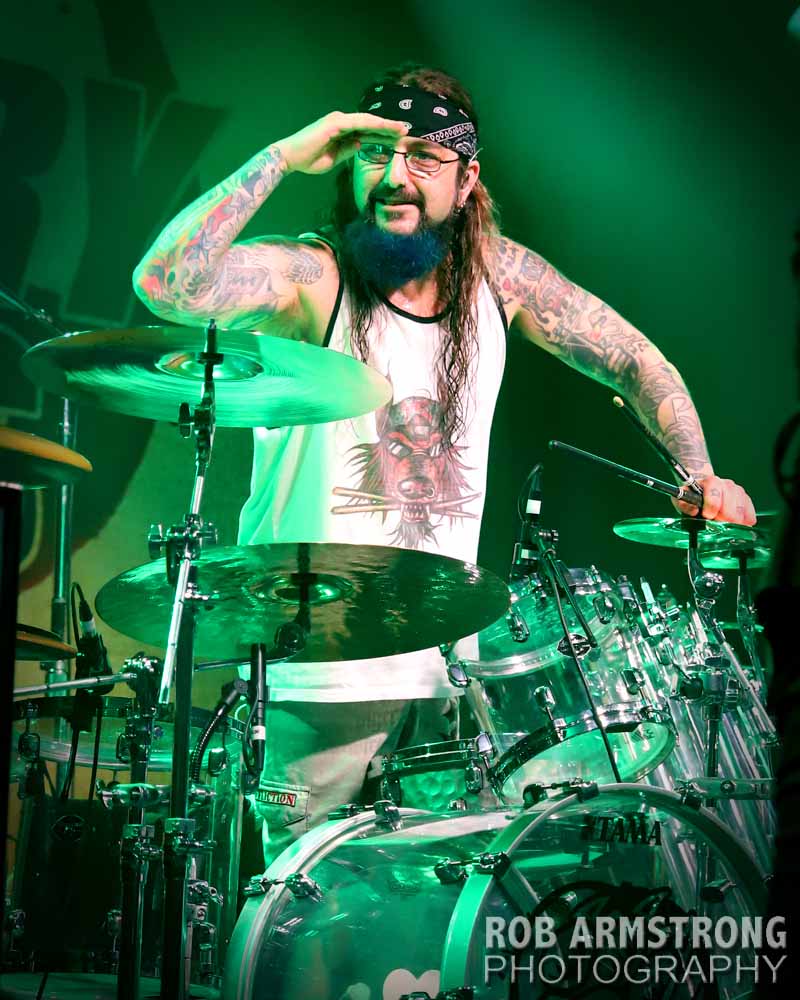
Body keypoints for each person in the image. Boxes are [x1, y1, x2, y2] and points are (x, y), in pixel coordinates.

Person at [132, 63, 756, 863]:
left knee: (427, 919)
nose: (394, 176)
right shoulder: (314, 277)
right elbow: (165, 284)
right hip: (320, 680)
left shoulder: (500, 278)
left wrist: (698, 473)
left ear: (467, 181)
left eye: (424, 157)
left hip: (448, 682)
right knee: (302, 918)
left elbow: (636, 360)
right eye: (374, 153)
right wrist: (285, 155)